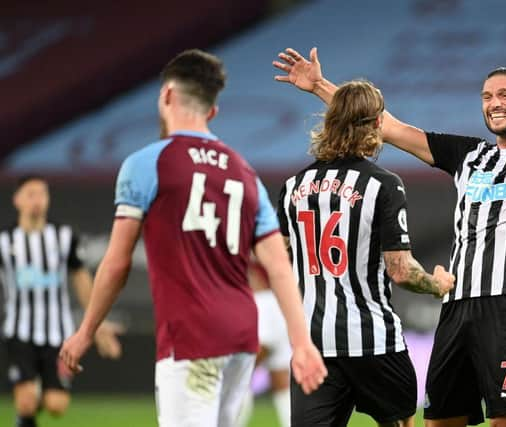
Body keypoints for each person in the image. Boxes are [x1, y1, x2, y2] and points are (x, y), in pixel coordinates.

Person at [272, 47, 506, 427]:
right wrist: (319, 86)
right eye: (487, 96)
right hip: (455, 309)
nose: (494, 103)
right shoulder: (467, 155)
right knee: (441, 420)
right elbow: (389, 126)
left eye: (504, 95)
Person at [59, 49, 327, 427]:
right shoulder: (244, 171)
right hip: (242, 338)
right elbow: (279, 266)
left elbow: (117, 262)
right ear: (212, 112)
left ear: (166, 95)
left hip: (192, 338)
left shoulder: (146, 164)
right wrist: (301, 344)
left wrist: (86, 330)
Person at [276, 79, 455, 427]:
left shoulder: (291, 189)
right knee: (400, 422)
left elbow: (280, 261)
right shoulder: (383, 185)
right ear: (376, 125)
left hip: (314, 343)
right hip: (372, 339)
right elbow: (401, 271)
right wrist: (438, 285)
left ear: (328, 123)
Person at [0, 175, 123, 427]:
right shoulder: (4, 242)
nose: (37, 201)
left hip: (57, 332)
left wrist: (97, 326)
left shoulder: (64, 237)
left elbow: (81, 279)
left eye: (42, 194)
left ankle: (30, 408)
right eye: (30, 194)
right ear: (17, 200)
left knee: (56, 405)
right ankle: (26, 410)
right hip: (18, 331)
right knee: (25, 401)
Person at [236, 257, 292, 427]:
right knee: (281, 377)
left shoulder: (253, 234)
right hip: (284, 304)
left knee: (240, 373)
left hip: (263, 302)